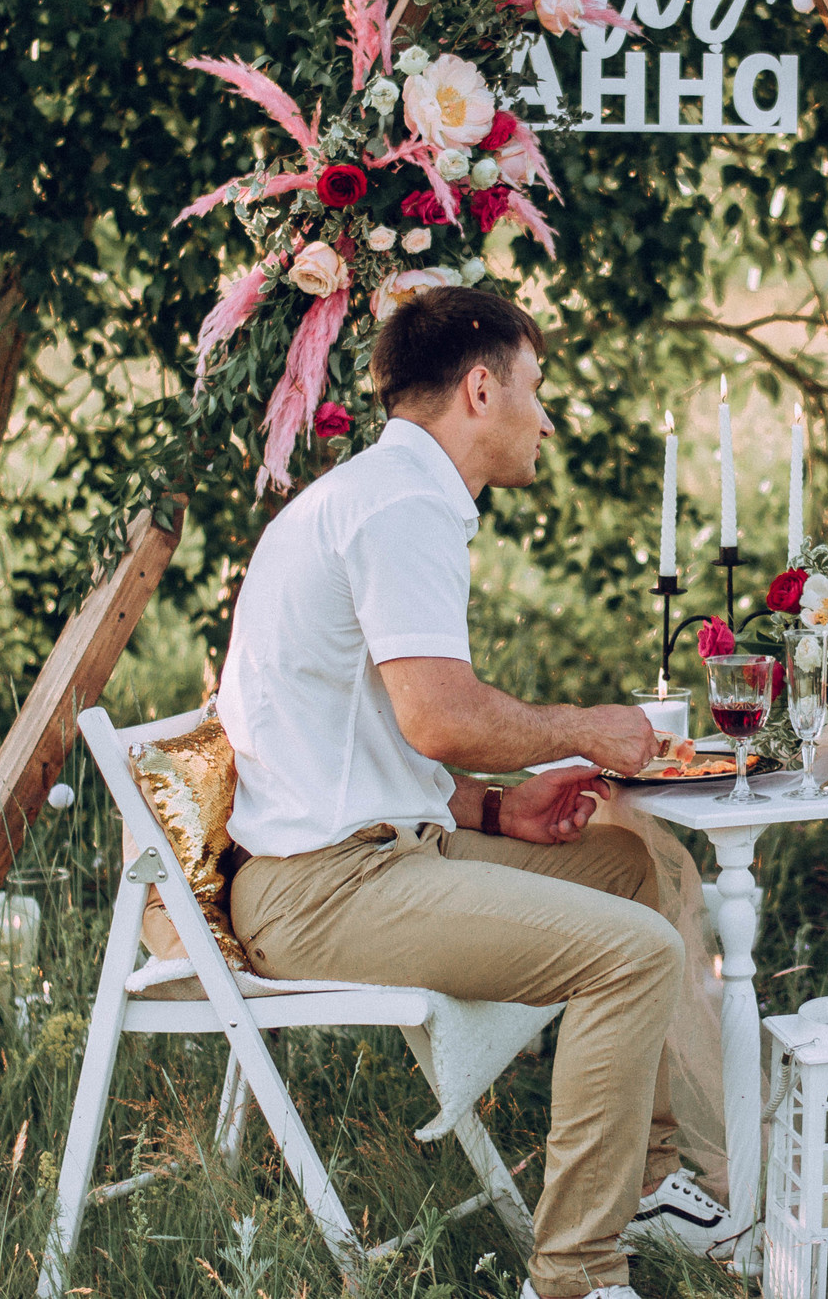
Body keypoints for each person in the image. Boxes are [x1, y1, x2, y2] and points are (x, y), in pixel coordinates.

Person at [219, 285, 732, 1299]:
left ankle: (653, 1185)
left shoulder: (378, 491)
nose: (544, 418)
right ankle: (578, 1276)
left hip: (377, 850)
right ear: (481, 387)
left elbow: (366, 737)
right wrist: (586, 728)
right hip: (317, 887)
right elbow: (439, 716)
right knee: (635, 953)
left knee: (632, 866)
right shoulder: (402, 501)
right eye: (536, 390)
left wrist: (499, 807)